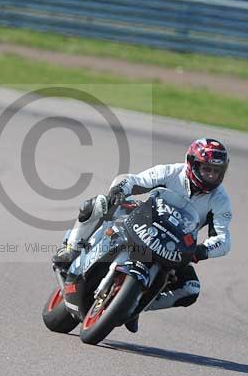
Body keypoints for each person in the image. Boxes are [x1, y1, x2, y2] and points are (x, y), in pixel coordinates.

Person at [52, 138, 233, 333]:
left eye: (216, 172)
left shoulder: (220, 200)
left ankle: (136, 304)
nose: (211, 176)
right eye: (207, 169)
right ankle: (71, 249)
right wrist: (119, 190)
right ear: (192, 163)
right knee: (99, 203)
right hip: (142, 220)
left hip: (173, 245)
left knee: (191, 288)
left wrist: (201, 251)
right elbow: (134, 180)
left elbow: (223, 239)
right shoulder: (171, 172)